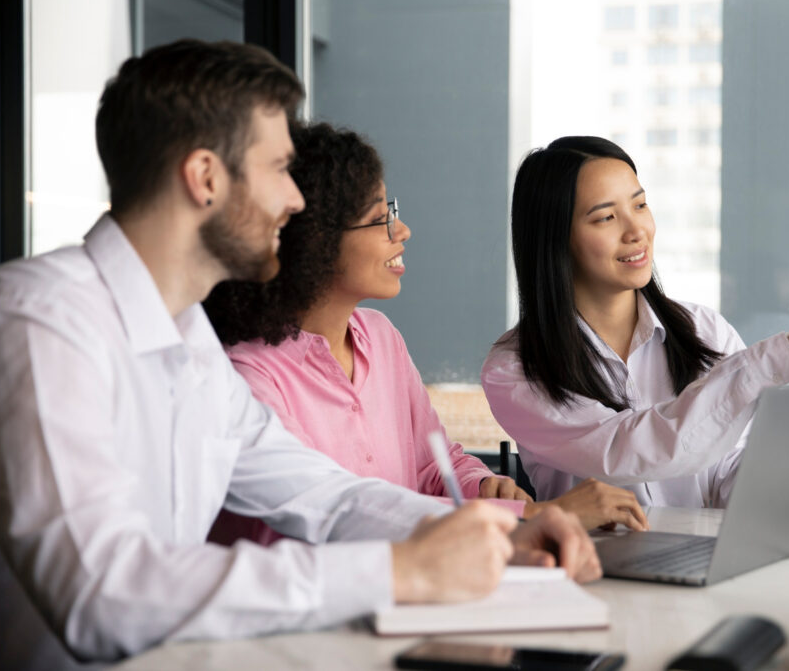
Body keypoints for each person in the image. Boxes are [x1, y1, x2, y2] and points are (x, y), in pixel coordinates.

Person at [0, 41, 599, 668]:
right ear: (204, 178)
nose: (298, 201)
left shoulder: (187, 338)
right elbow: (101, 596)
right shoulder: (40, 323)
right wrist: (397, 571)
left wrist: (497, 532)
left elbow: (326, 496)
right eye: (278, 168)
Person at [201, 121, 648, 538]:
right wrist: (532, 516)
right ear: (314, 242)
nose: (403, 231)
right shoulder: (249, 376)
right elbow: (338, 517)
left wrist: (483, 487)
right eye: (381, 219)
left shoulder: (379, 337)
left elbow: (435, 466)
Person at [481, 136, 789, 508]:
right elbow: (634, 452)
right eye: (606, 218)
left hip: (698, 568)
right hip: (594, 577)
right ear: (555, 239)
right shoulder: (516, 368)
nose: (636, 230)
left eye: (640, 205)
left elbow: (728, 487)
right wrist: (783, 354)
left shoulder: (703, 330)